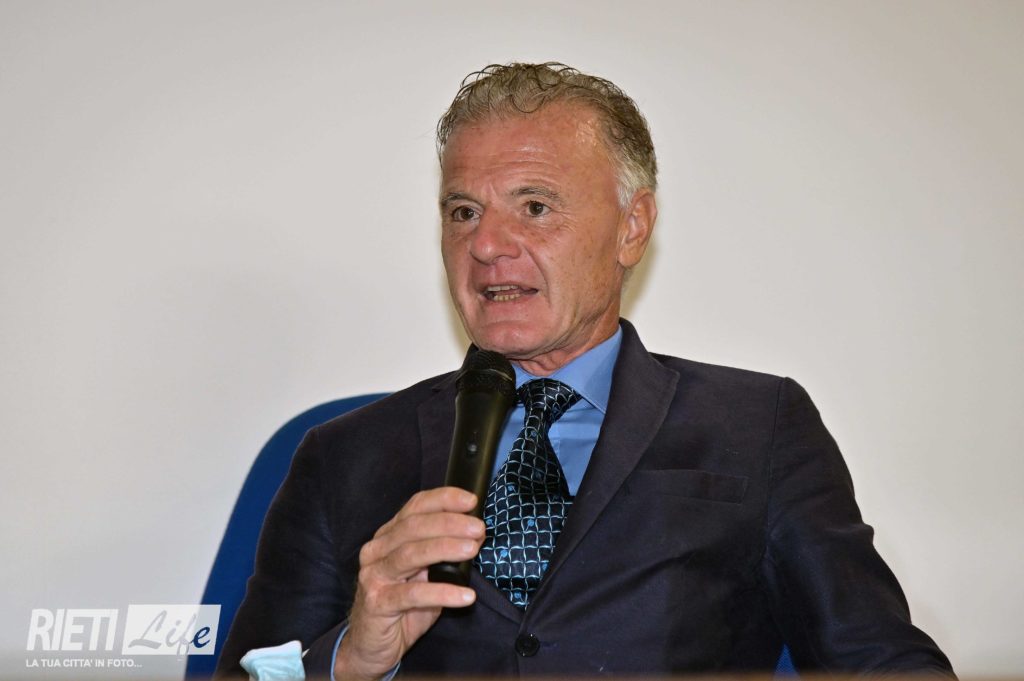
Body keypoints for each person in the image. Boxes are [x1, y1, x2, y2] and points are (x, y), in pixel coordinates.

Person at [216, 62, 954, 679]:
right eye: (463, 212)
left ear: (632, 226)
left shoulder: (757, 425)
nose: (487, 245)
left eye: (534, 206)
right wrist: (347, 660)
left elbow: (878, 660)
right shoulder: (342, 454)